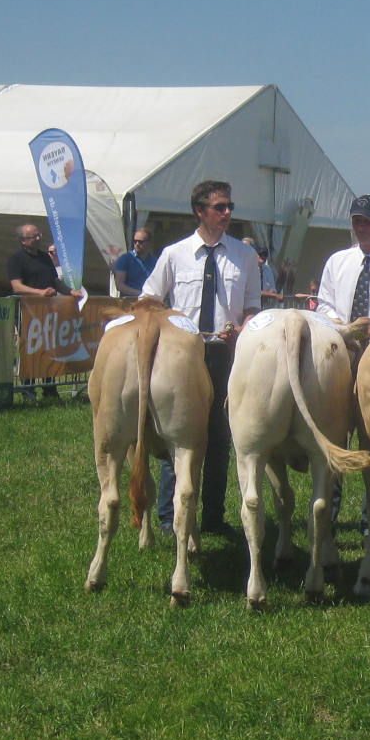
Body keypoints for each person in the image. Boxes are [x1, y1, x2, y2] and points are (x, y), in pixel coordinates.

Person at [140, 179, 262, 538]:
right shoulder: (174, 255)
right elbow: (149, 299)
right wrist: (172, 328)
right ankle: (169, 515)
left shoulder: (244, 255)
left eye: (229, 207)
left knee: (221, 437)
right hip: (181, 357)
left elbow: (254, 307)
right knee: (178, 434)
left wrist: (241, 329)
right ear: (199, 210)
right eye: (219, 207)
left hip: (226, 357)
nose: (227, 213)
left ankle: (212, 515)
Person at [317, 194, 370, 337]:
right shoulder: (336, 262)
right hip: (342, 346)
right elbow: (324, 305)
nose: (361, 228)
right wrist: (343, 328)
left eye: (368, 222)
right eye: (357, 221)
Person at [8, 223, 83, 299]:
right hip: (28, 305)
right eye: (34, 237)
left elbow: (55, 281)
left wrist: (71, 292)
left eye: (39, 235)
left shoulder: (45, 257)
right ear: (23, 240)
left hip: (48, 305)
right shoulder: (16, 259)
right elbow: (17, 287)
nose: (38, 238)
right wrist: (41, 292)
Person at [112, 230, 157, 298]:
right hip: (129, 301)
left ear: (149, 243)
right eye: (135, 241)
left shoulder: (155, 261)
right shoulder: (125, 259)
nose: (137, 244)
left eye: (140, 242)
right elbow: (119, 285)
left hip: (148, 301)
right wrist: (141, 294)